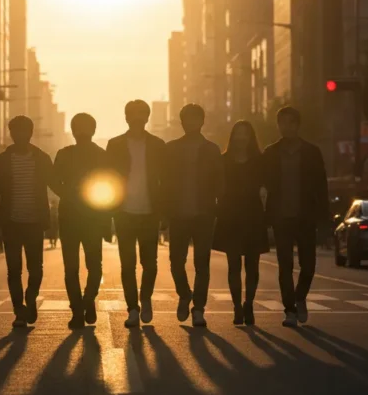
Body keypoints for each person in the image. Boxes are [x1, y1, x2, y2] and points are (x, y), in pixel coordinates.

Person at [264, 106, 329, 328]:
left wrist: (324, 219)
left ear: (298, 125)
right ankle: (289, 310)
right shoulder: (271, 152)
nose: (286, 127)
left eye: (291, 123)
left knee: (308, 266)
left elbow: (321, 186)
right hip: (281, 217)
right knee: (284, 266)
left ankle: (300, 297)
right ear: (278, 125)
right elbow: (263, 184)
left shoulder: (312, 152)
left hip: (305, 216)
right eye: (282, 123)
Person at [107, 100, 166, 328]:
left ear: (148, 117)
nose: (138, 117)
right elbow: (109, 177)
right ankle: (132, 308)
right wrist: (110, 210)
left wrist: (164, 212)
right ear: (126, 117)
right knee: (127, 264)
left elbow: (165, 181)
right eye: (133, 113)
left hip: (150, 212)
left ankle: (145, 298)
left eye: (142, 113)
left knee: (149, 263)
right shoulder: (115, 145)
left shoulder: (158, 145)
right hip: (124, 212)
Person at [163, 104, 223, 328]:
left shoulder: (211, 149)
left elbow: (220, 181)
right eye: (187, 119)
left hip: (203, 214)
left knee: (202, 264)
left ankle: (198, 309)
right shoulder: (171, 149)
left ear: (202, 121)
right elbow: (164, 182)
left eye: (196, 119)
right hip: (178, 214)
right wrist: (164, 211)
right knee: (175, 262)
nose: (192, 123)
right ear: (182, 122)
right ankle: (184, 293)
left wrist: (217, 204)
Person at [0, 116, 54, 328]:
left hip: (35, 222)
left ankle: (30, 298)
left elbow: (55, 183)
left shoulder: (42, 158)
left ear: (30, 133)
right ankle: (19, 311)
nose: (19, 135)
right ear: (11, 133)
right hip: (11, 222)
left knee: (36, 269)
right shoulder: (1, 161)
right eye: (15, 131)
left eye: (23, 131)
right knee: (14, 269)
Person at [52, 113, 113, 329]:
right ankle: (83, 304)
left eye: (85, 128)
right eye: (79, 128)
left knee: (81, 267)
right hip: (82, 216)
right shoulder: (92, 154)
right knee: (85, 266)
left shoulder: (97, 154)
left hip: (84, 216)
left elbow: (109, 186)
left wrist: (67, 193)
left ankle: (82, 306)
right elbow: (52, 179)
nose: (83, 132)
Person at [213, 120, 269, 326]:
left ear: (250, 137)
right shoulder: (223, 160)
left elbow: (268, 185)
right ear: (232, 136)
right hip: (230, 215)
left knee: (252, 266)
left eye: (245, 134)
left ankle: (249, 304)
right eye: (238, 134)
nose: (241, 138)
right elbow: (215, 186)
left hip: (253, 215)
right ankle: (237, 306)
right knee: (233, 265)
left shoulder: (259, 161)